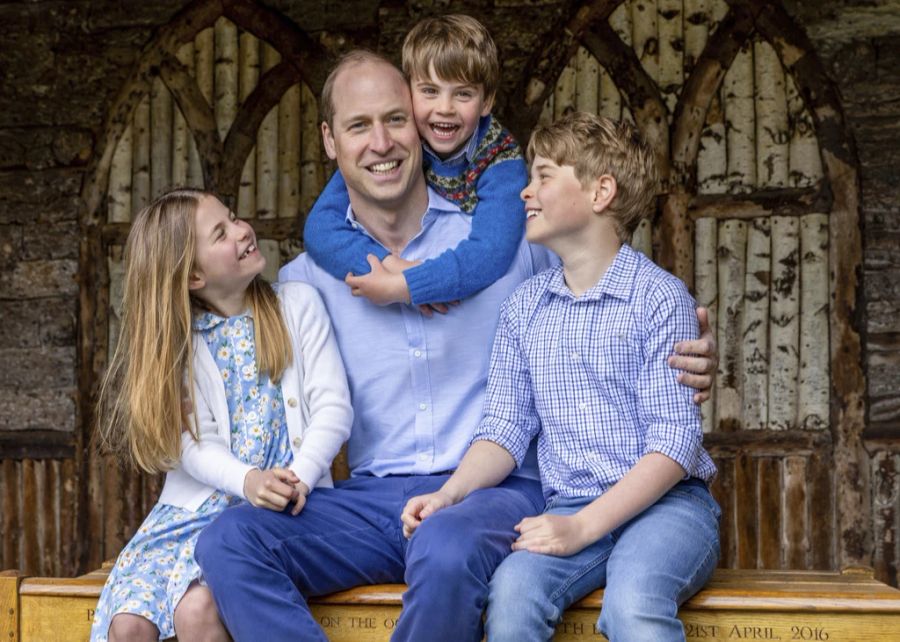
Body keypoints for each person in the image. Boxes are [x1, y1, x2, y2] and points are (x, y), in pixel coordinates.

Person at [195, 53, 716, 642]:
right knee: (229, 539)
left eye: (396, 119)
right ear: (329, 140)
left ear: (420, 126)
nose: (382, 142)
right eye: (358, 126)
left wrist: (693, 348)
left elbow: (606, 288)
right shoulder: (303, 283)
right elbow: (216, 333)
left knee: (445, 546)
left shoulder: (507, 244)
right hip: (373, 501)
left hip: (496, 492)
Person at [401, 112, 721, 642]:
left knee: (633, 603)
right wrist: (448, 494)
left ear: (601, 192)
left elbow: (675, 442)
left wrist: (583, 528)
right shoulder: (524, 308)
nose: (526, 191)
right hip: (569, 503)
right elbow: (504, 428)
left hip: (669, 508)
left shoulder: (659, 299)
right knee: (512, 597)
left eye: (544, 176)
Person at [90, 188, 352, 642]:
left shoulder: (297, 305)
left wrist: (300, 477)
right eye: (221, 232)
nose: (242, 230)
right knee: (128, 625)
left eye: (233, 218)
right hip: (190, 515)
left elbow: (333, 408)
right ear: (193, 275)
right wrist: (247, 480)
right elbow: (192, 446)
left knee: (198, 611)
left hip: (281, 509)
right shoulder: (181, 345)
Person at [303, 14, 525, 310]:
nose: (444, 109)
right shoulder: (404, 142)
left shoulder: (501, 161)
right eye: (430, 91)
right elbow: (319, 229)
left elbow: (491, 252)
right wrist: (388, 266)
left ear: (486, 102)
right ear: (408, 93)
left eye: (463, 94)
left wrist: (411, 285)